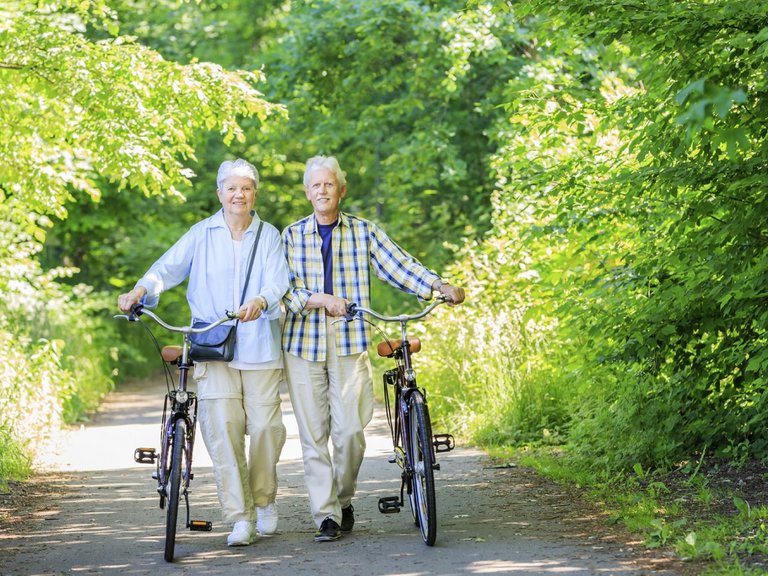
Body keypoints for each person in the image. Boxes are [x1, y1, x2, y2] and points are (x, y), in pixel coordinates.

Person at [281, 155, 466, 542]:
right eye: (315, 185)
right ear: (306, 192)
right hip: (303, 344)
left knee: (350, 432)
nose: (322, 191)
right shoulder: (292, 235)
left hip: (349, 341)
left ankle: (343, 498)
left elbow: (399, 265)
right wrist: (320, 299)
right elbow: (283, 289)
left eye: (329, 184)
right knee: (314, 435)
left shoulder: (364, 232)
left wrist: (438, 285)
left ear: (341, 190)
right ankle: (327, 516)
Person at [117, 158, 289, 547]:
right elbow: (167, 268)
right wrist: (140, 290)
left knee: (266, 430)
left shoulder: (269, 236)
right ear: (219, 194)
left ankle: (264, 500)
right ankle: (240, 516)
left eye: (245, 188)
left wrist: (262, 299)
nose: (238, 195)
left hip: (260, 346)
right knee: (222, 432)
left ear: (254, 194)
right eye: (231, 188)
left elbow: (279, 279)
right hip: (213, 349)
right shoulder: (202, 233)